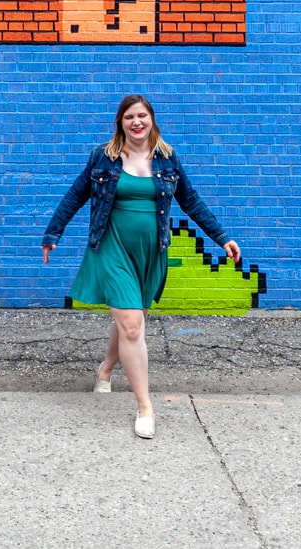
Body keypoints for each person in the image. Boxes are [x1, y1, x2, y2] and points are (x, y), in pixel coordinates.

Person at [42, 95, 239, 440]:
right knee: (132, 324)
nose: (136, 122)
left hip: (151, 252)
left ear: (151, 119)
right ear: (120, 122)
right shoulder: (103, 157)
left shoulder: (167, 158)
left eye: (142, 115)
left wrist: (221, 237)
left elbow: (190, 201)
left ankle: (105, 369)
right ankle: (145, 407)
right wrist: (53, 233)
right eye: (129, 116)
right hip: (112, 248)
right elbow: (76, 195)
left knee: (129, 319)